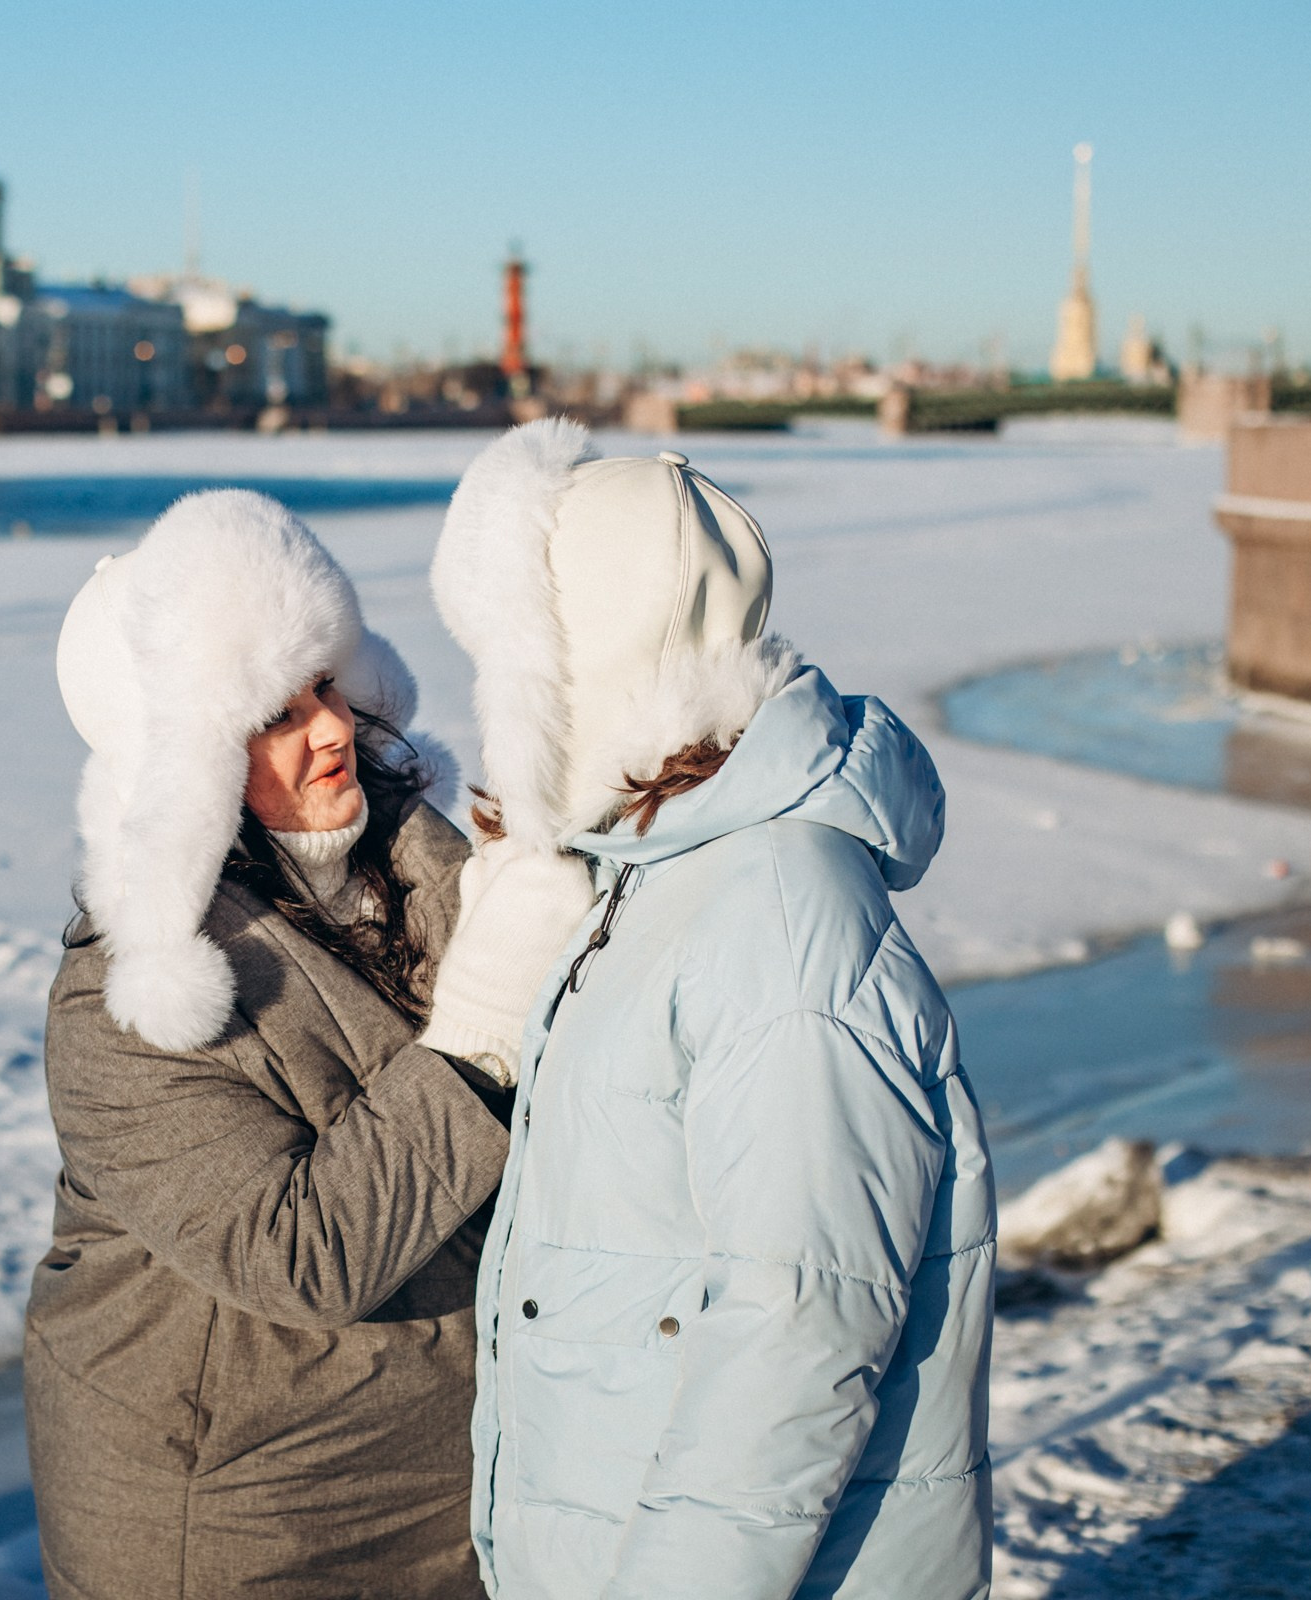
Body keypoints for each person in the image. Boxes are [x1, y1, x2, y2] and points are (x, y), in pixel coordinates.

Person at [433, 421, 996, 1599]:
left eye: (512, 663)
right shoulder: (655, 869)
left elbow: (798, 1333)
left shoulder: (779, 915)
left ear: (592, 658)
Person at [25, 488, 596, 1599]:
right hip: (242, 1518)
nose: (331, 728)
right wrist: (479, 1038)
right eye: (273, 713)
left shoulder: (417, 857)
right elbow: (300, 1256)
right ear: (181, 762)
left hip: (449, 1468)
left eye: (326, 682)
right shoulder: (120, 1007)